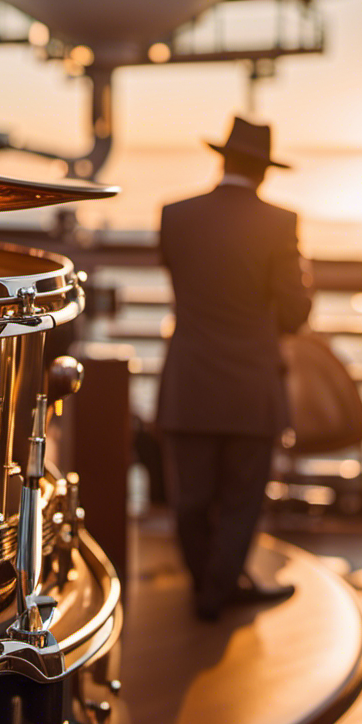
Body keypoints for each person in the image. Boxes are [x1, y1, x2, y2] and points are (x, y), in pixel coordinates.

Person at [156, 115, 313, 622]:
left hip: (190, 380)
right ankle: (218, 590)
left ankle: (208, 583)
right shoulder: (280, 223)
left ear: (223, 159)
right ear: (263, 172)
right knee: (243, 500)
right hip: (251, 385)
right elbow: (294, 313)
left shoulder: (175, 215)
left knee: (191, 500)